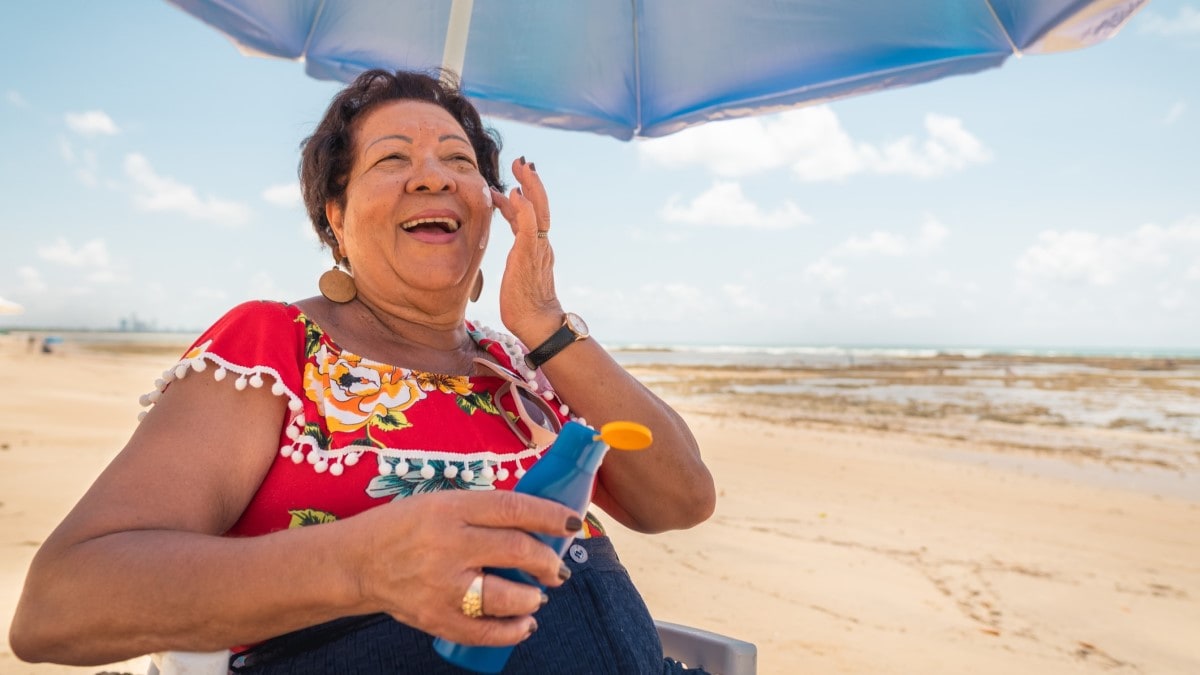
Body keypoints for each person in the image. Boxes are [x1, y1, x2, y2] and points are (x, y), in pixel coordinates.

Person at [9, 69, 716, 674]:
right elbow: (59, 603)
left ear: (491, 209)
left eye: (459, 160)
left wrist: (544, 324)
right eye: (392, 159)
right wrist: (360, 564)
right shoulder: (276, 345)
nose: (434, 174)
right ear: (335, 216)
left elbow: (679, 498)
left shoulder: (520, 366)